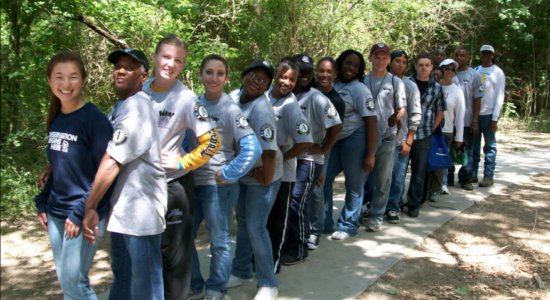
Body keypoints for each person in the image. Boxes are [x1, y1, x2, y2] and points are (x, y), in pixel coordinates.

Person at [82, 48, 167, 299]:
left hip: (140, 210)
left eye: (129, 67)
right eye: (118, 65)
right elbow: (98, 148)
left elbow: (112, 161)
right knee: (123, 273)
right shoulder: (120, 106)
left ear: (143, 76)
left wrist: (89, 206)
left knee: (145, 283)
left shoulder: (138, 108)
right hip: (123, 209)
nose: (121, 70)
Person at [142, 35, 221, 300]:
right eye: (166, 57)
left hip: (174, 186)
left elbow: (213, 141)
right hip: (140, 186)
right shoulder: (140, 90)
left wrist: (181, 162)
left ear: (184, 65)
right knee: (145, 253)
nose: (170, 64)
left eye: (178, 60)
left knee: (174, 258)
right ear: (154, 57)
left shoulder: (186, 98)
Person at [34, 51, 113, 299]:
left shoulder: (95, 120)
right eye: (59, 77)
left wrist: (80, 212)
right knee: (68, 283)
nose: (66, 84)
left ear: (84, 79)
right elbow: (58, 166)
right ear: (49, 80)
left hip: (83, 213)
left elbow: (106, 174)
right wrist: (43, 202)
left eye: (73, 77)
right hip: (56, 213)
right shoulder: (57, 117)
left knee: (74, 282)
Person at [189, 55, 262, 300]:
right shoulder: (193, 104)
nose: (214, 78)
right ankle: (194, 283)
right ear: (200, 75)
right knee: (182, 236)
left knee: (218, 240)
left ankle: (217, 287)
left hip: (218, 187)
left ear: (226, 78)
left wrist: (230, 172)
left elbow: (253, 148)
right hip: (192, 182)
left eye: (220, 73)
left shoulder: (231, 109)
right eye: (209, 72)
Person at [227, 60, 282, 300]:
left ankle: (269, 282)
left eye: (263, 80)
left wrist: (267, 177)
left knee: (256, 227)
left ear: (267, 86)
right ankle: (241, 271)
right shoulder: (233, 97)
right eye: (253, 75)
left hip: (264, 174)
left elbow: (269, 150)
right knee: (244, 223)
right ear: (244, 75)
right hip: (244, 173)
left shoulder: (262, 109)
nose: (256, 81)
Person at [280, 54, 341, 264]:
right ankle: (286, 243)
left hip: (308, 160)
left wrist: (323, 148)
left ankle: (299, 248)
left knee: (297, 202)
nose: (305, 75)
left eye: (308, 71)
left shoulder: (316, 97)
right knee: (287, 204)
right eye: (300, 71)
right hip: (288, 159)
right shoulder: (286, 95)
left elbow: (336, 125)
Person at [324, 49, 377, 240]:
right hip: (332, 140)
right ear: (340, 63)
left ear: (359, 69)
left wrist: (370, 153)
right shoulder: (331, 83)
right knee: (323, 179)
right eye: (347, 63)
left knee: (354, 183)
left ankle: (347, 225)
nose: (350, 68)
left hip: (355, 138)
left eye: (355, 66)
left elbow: (372, 122)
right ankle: (324, 221)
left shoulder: (360, 90)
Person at [266, 59, 312, 271]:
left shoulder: (291, 105)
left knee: (277, 219)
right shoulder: (264, 95)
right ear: (276, 74)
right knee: (261, 219)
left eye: (292, 80)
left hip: (283, 174)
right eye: (283, 77)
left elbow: (305, 141)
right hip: (262, 171)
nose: (286, 82)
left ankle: (273, 262)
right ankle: (256, 259)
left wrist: (281, 157)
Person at [362, 43, 406, 232]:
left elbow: (402, 107)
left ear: (388, 60)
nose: (380, 61)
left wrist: (396, 117)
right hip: (364, 135)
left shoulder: (395, 82)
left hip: (388, 137)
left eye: (384, 58)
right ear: (370, 58)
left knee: (383, 178)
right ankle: (356, 211)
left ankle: (377, 215)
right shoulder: (363, 80)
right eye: (376, 57)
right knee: (360, 177)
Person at [307, 56, 346, 249]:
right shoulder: (307, 90)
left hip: (320, 150)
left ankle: (315, 230)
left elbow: (335, 131)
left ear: (335, 75)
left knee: (316, 187)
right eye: (321, 70)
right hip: (300, 148)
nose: (324, 75)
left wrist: (321, 153)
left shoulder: (337, 101)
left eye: (329, 72)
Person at [405, 52, 446, 218]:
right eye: (420, 65)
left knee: (419, 171)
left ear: (432, 67)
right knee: (399, 170)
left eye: (427, 65)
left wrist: (431, 128)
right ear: (415, 66)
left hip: (424, 135)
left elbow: (440, 112)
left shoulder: (437, 88)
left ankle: (414, 203)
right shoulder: (406, 83)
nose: (423, 68)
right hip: (404, 133)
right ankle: (394, 202)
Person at [384, 50, 422, 224]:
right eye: (397, 61)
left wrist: (409, 140)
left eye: (404, 62)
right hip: (381, 137)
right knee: (380, 176)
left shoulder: (410, 85)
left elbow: (415, 114)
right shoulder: (382, 80)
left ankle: (393, 207)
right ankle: (375, 205)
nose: (400, 64)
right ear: (389, 62)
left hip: (401, 138)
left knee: (398, 176)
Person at [426, 59, 465, 201]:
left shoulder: (457, 91)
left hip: (446, 131)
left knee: (439, 162)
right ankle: (424, 189)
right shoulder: (433, 86)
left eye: (452, 70)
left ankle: (435, 190)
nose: (449, 72)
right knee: (426, 161)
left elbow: (460, 115)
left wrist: (459, 138)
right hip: (428, 129)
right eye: (446, 68)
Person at [474, 44, 505, 187]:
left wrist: (495, 118)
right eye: (484, 53)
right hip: (475, 114)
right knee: (473, 146)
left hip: (488, 114)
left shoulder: (497, 72)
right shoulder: (476, 70)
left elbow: (500, 95)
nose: (486, 56)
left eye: (489, 54)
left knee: (489, 146)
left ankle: (488, 175)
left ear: (493, 55)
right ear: (480, 54)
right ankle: (472, 174)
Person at [453, 46, 483, 191]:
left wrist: (475, 121)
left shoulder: (474, 75)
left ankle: (465, 178)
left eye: (462, 56)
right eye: (457, 55)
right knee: (448, 149)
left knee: (467, 150)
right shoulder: (449, 74)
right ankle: (447, 178)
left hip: (467, 119)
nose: (459, 58)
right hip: (450, 121)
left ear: (468, 58)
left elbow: (477, 99)